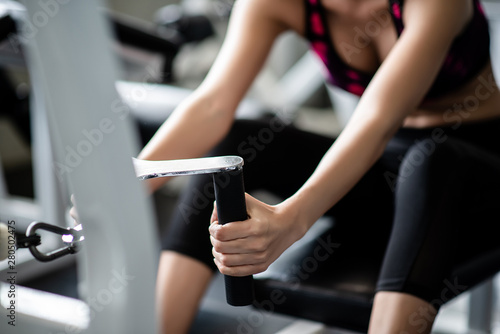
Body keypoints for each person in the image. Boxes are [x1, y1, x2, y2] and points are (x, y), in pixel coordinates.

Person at [136, 0, 500, 333]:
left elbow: (377, 119)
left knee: (432, 160)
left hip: (476, 170)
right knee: (235, 144)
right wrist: (124, 186)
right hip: (387, 169)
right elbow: (212, 105)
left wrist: (290, 220)